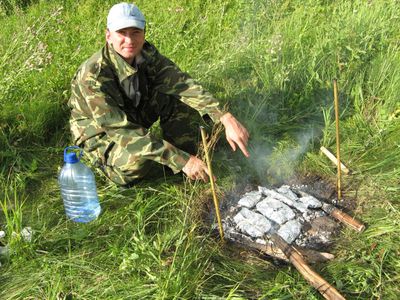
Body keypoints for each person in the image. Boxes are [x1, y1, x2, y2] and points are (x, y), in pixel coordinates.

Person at [68, 2, 249, 186]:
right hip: (99, 132)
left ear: (144, 33)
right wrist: (180, 160)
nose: (129, 41)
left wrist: (224, 117)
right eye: (122, 33)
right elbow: (119, 129)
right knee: (138, 162)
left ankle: (188, 165)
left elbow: (181, 83)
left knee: (175, 97)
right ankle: (107, 167)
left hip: (132, 111)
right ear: (108, 35)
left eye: (135, 32)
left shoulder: (146, 54)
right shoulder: (94, 76)